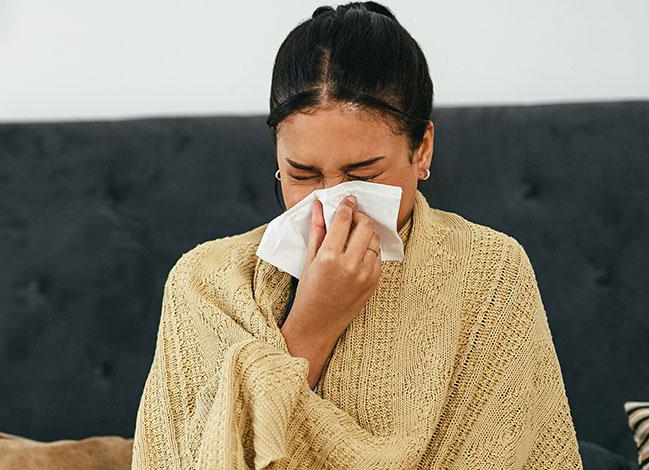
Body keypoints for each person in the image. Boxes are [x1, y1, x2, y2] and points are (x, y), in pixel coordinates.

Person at [132, 2, 581, 468]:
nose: (334, 202)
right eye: (302, 174)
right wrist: (312, 325)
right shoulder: (205, 283)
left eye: (363, 175)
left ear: (421, 150)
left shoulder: (489, 271)